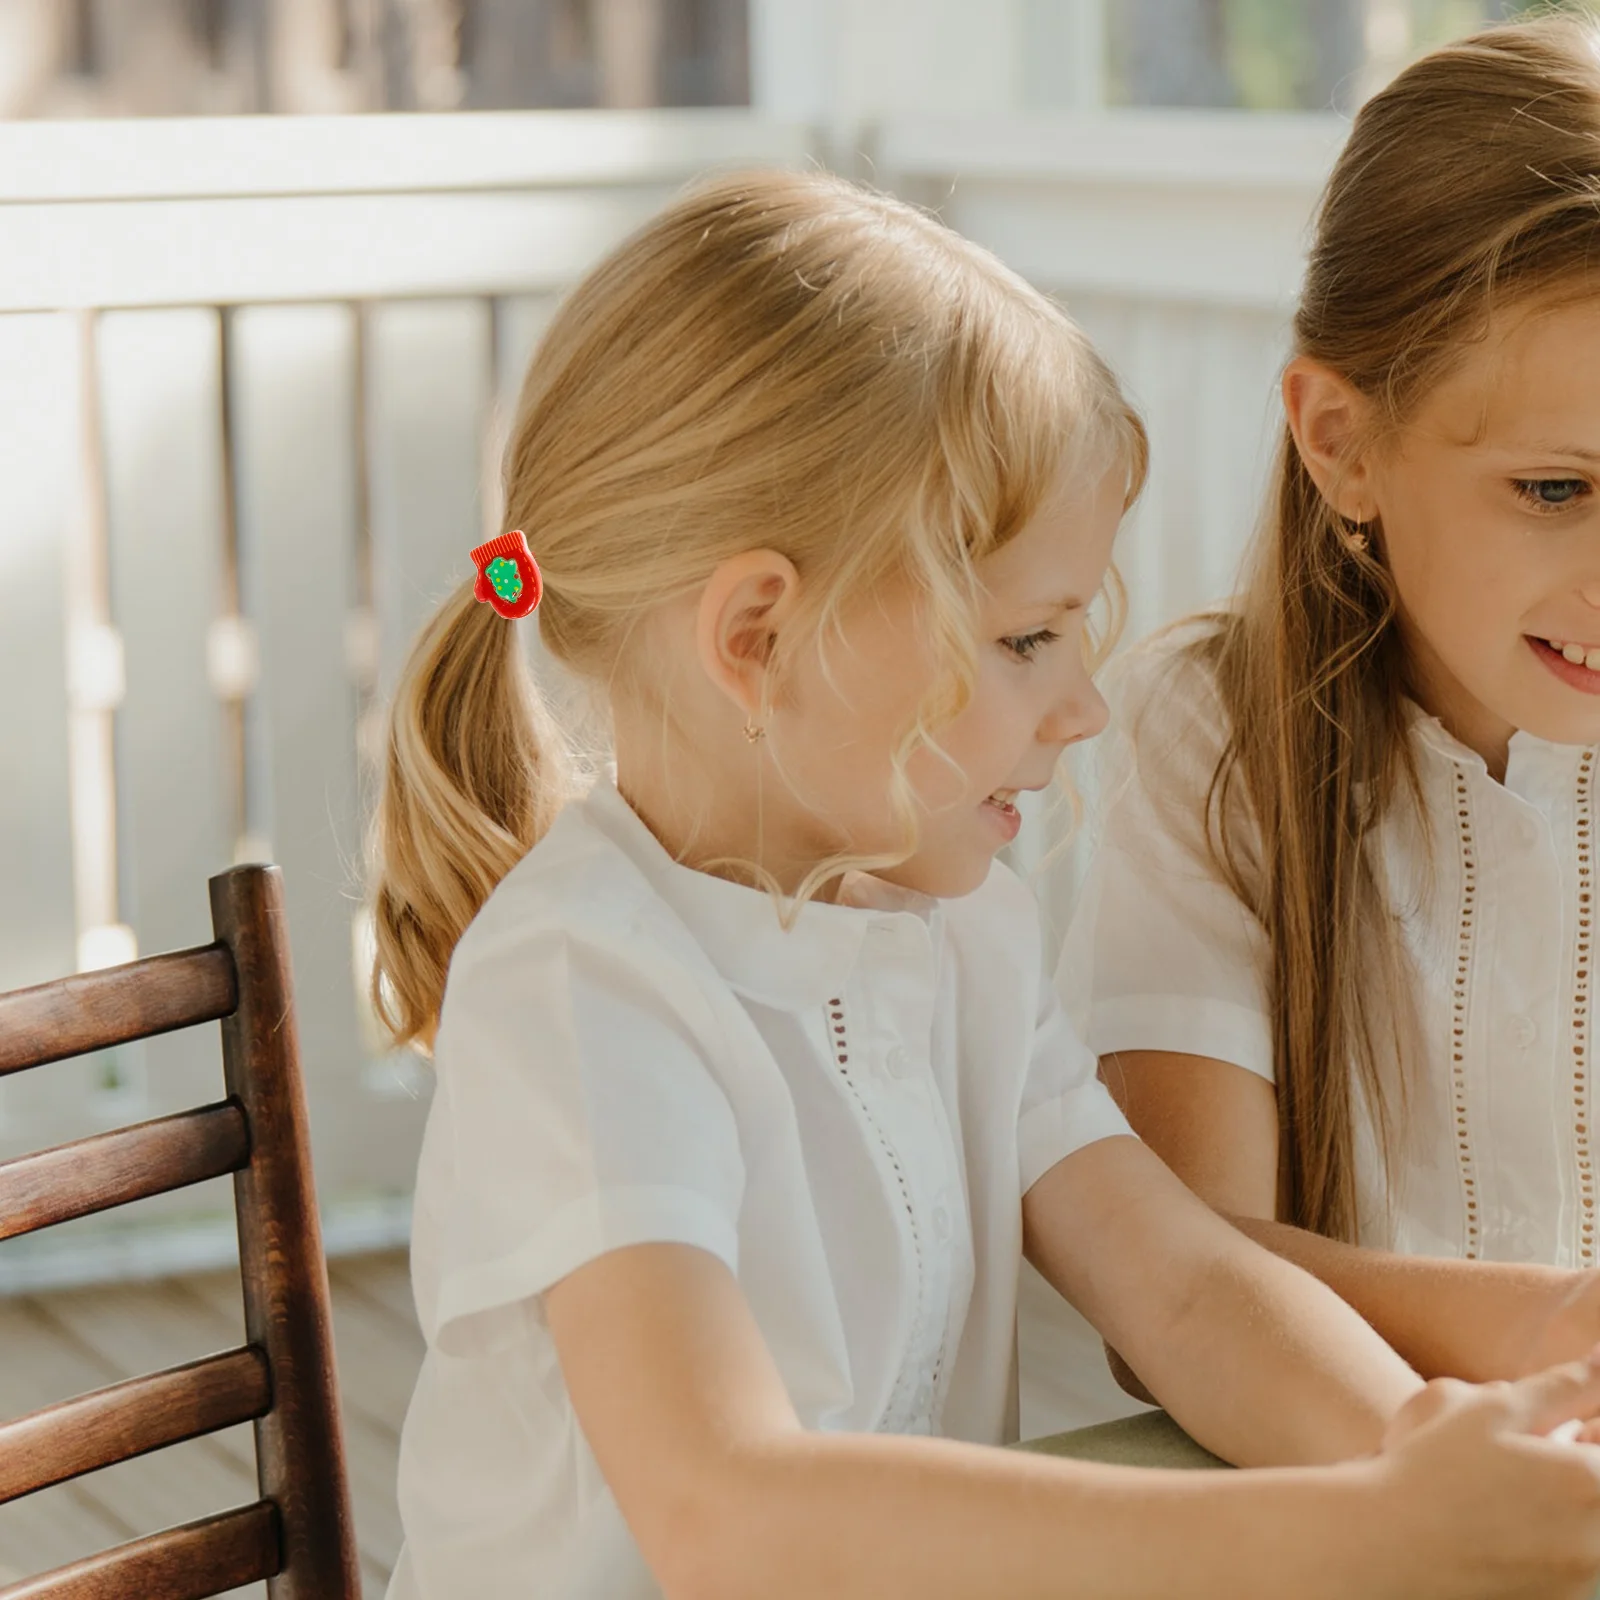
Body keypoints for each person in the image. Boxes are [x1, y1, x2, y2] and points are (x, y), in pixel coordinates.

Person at [367, 167, 1600, 1600]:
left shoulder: (966, 937)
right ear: (758, 632)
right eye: (1027, 641)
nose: (1083, 706)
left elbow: (1187, 1291)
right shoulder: (586, 987)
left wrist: (1429, 1455)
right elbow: (730, 1514)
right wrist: (1367, 1530)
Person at [1033, 12, 1600, 1445]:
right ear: (1341, 441)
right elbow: (1175, 1271)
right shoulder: (1214, 739)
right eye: (1555, 491)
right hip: (1321, 1512)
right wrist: (1546, 1338)